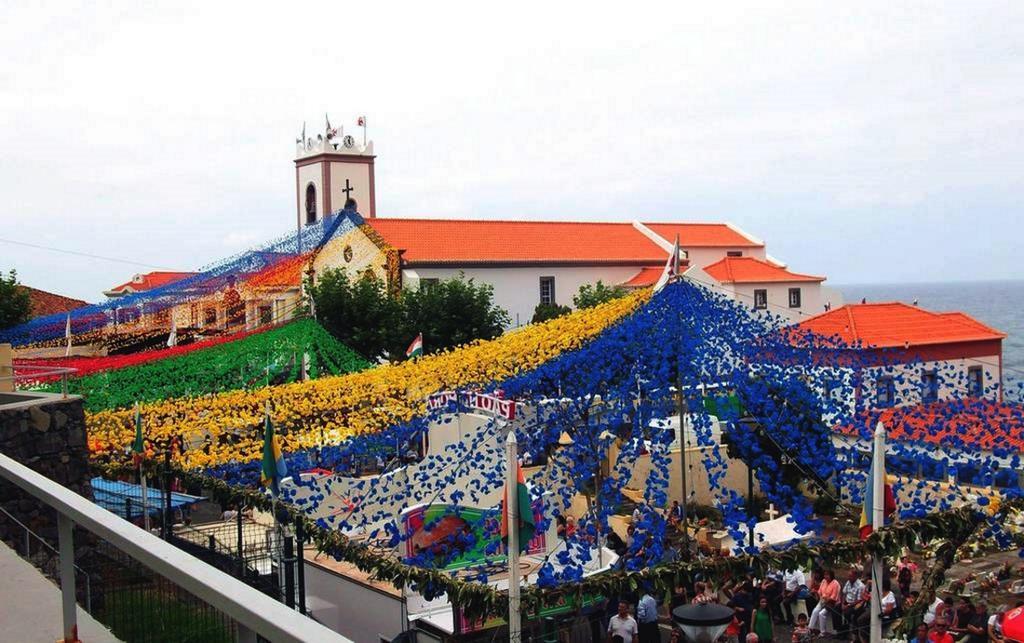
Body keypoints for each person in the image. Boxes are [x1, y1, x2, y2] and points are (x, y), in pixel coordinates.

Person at [809, 569, 840, 635]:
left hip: (832, 603)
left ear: (831, 575)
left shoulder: (835, 584)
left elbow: (834, 598)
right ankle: (810, 629)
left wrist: (825, 600)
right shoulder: (823, 581)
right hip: (822, 601)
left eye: (827, 575)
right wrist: (819, 597)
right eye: (825, 575)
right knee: (815, 611)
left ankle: (823, 632)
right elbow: (820, 591)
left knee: (821, 614)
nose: (825, 576)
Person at [841, 568, 867, 637]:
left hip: (855, 604)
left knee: (847, 613)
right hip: (847, 602)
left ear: (855, 576)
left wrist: (848, 605)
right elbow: (844, 593)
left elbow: (859, 600)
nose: (849, 578)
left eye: (850, 576)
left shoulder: (860, 586)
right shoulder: (848, 582)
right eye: (848, 576)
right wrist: (843, 603)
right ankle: (839, 629)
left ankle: (846, 631)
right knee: (835, 608)